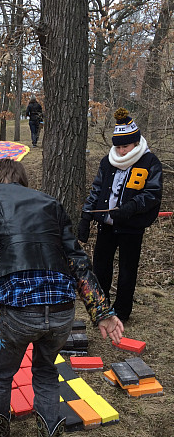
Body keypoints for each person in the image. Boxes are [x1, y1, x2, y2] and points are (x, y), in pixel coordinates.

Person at [0, 158, 123, 437]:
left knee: (0, 372)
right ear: (23, 181)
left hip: (19, 312)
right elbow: (77, 259)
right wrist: (101, 311)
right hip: (63, 311)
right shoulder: (50, 203)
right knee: (47, 375)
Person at [78, 108, 162, 322]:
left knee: (127, 271)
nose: (122, 151)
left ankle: (122, 311)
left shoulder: (150, 162)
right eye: (118, 146)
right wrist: (86, 216)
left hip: (131, 227)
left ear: (135, 143)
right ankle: (101, 309)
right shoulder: (108, 162)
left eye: (126, 146)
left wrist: (132, 207)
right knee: (100, 268)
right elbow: (96, 189)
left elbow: (152, 194)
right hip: (106, 225)